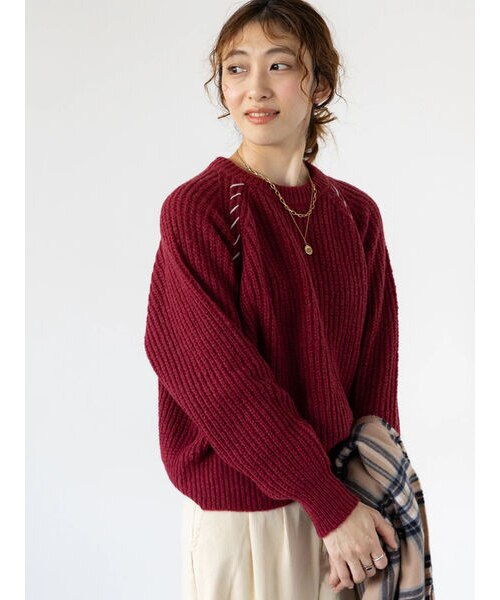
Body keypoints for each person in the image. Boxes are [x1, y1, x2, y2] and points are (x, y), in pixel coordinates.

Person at [144, 1, 401, 598]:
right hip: (247, 520)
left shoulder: (355, 214)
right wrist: (327, 503)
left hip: (348, 519)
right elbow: (220, 384)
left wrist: (372, 496)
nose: (254, 88)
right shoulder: (200, 210)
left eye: (279, 65)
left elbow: (375, 375)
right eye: (236, 69)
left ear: (321, 84)